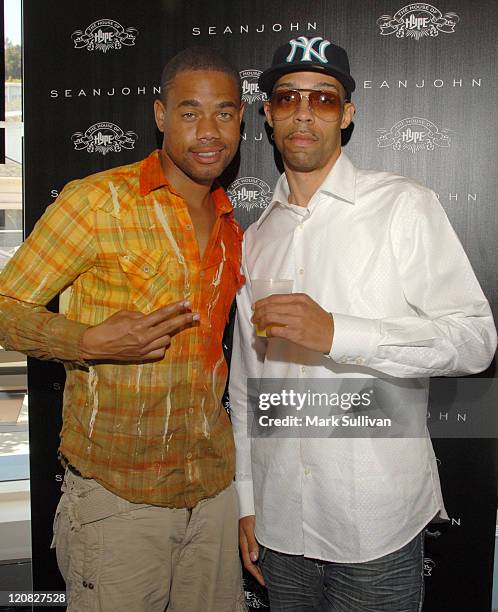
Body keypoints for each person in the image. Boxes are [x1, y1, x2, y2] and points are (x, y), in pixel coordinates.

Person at [229, 35, 497, 611]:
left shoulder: (403, 205)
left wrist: (340, 334)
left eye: (323, 99)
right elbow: (246, 383)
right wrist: (247, 499)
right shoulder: (255, 238)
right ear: (268, 115)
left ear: (347, 114)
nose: (303, 111)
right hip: (280, 526)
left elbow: (475, 340)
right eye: (286, 97)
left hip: (376, 523)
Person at [0, 47, 247, 612]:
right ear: (160, 115)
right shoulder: (97, 202)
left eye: (225, 113)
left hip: (212, 496)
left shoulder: (234, 226)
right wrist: (84, 341)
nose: (208, 132)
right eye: (190, 113)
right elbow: (4, 304)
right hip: (118, 502)